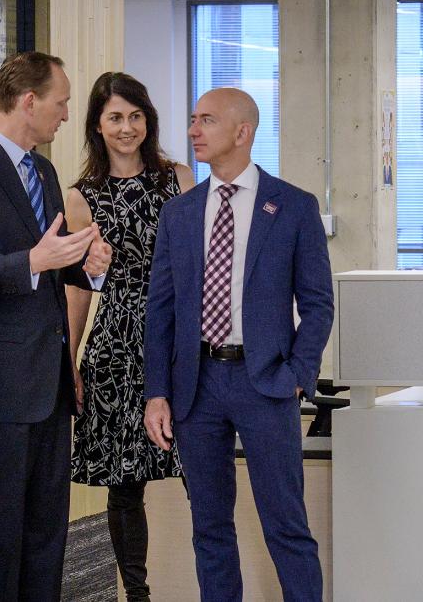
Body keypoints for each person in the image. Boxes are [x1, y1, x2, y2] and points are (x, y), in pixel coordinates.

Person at [143, 87, 334, 601]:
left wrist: (299, 375)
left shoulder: (293, 207)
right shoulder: (179, 214)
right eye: (192, 119)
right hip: (195, 387)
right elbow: (160, 309)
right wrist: (155, 392)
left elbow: (318, 304)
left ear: (242, 132)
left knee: (286, 526)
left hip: (266, 382)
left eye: (206, 120)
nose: (193, 131)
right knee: (209, 528)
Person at [0, 51, 113, 601]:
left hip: (49, 385)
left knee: (45, 535)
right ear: (28, 101)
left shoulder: (43, 169)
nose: (66, 115)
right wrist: (33, 262)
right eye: (60, 103)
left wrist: (84, 265)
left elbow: (48, 261)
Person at [65, 71, 195, 602]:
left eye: (136, 116)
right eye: (115, 117)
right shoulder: (80, 197)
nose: (127, 127)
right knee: (125, 484)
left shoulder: (180, 179)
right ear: (97, 124)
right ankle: (135, 593)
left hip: (179, 336)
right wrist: (68, 360)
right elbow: (78, 291)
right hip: (116, 343)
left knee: (199, 467)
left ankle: (215, 577)